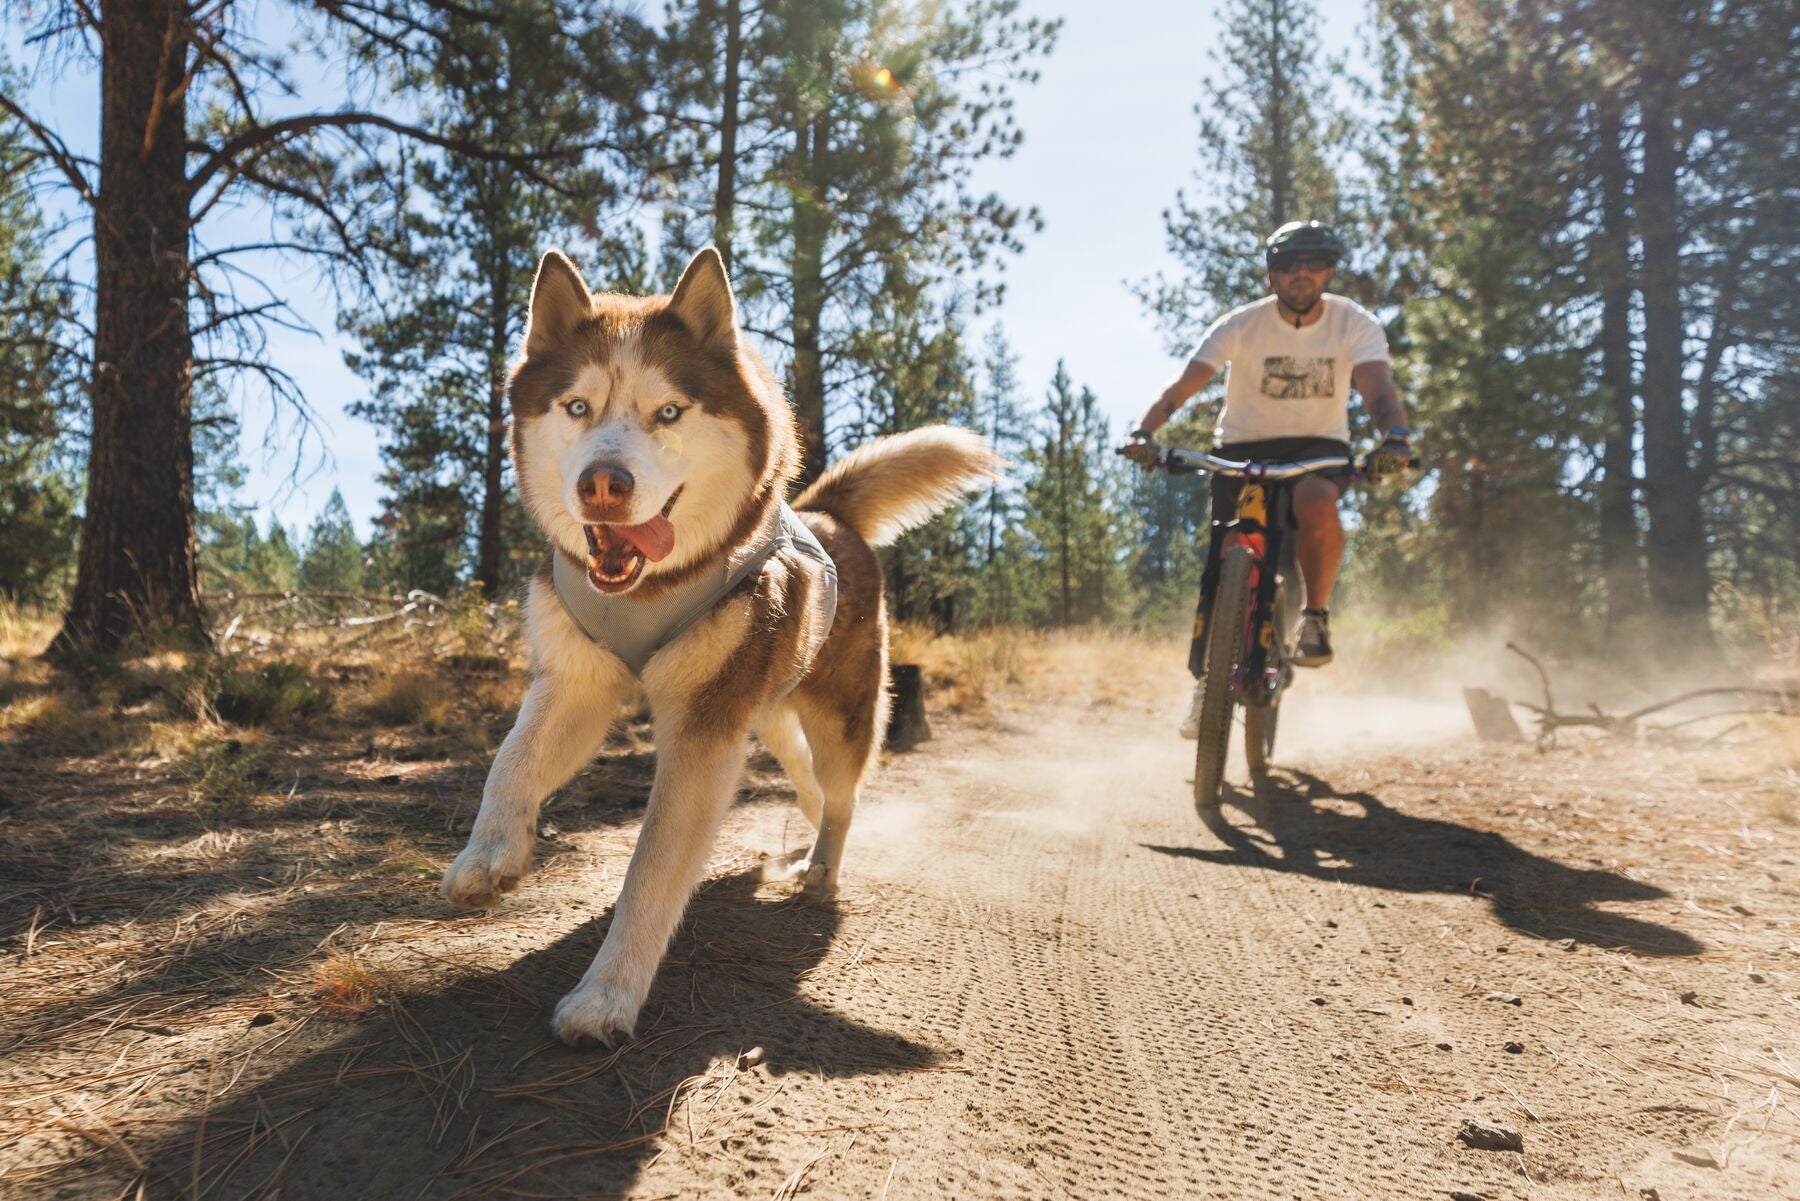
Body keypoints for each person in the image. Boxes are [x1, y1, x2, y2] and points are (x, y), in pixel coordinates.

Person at [1122, 221, 1412, 739]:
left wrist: (1393, 438)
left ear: (1330, 271)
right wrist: (1146, 431)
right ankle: (1207, 685)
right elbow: (1185, 384)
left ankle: (1315, 617)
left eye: (1314, 264)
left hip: (1317, 448)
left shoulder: (1354, 323)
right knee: (1228, 550)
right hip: (1242, 446)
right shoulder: (1241, 324)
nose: (1302, 274)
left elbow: (1379, 389)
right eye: (1289, 266)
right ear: (1272, 274)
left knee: (1317, 500)